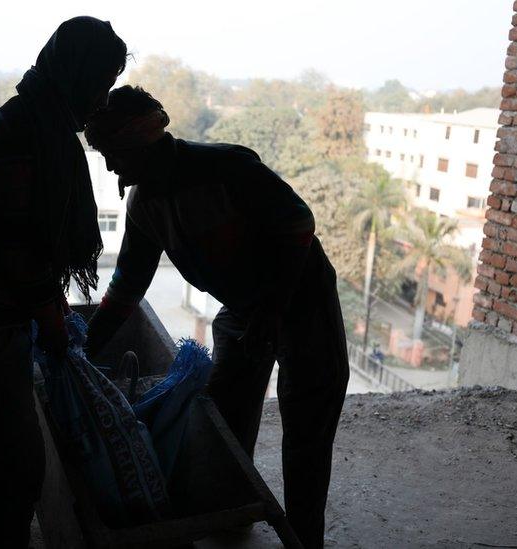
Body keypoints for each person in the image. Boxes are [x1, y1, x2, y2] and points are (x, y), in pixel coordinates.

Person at [83, 86, 349, 548]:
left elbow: (298, 224)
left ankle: (305, 539)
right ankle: (233, 514)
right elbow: (127, 285)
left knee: (306, 427)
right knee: (225, 414)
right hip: (245, 310)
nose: (111, 168)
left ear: (139, 144)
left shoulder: (227, 168)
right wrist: (82, 351)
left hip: (304, 303)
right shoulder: (145, 205)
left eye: (113, 154)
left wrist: (270, 314)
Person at [0, 18, 127, 548]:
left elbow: (31, 247)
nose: (102, 100)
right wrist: (51, 317)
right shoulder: (29, 138)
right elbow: (20, 250)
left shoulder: (38, 124)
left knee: (2, 438)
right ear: (78, 76)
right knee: (24, 464)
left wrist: (47, 310)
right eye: (101, 84)